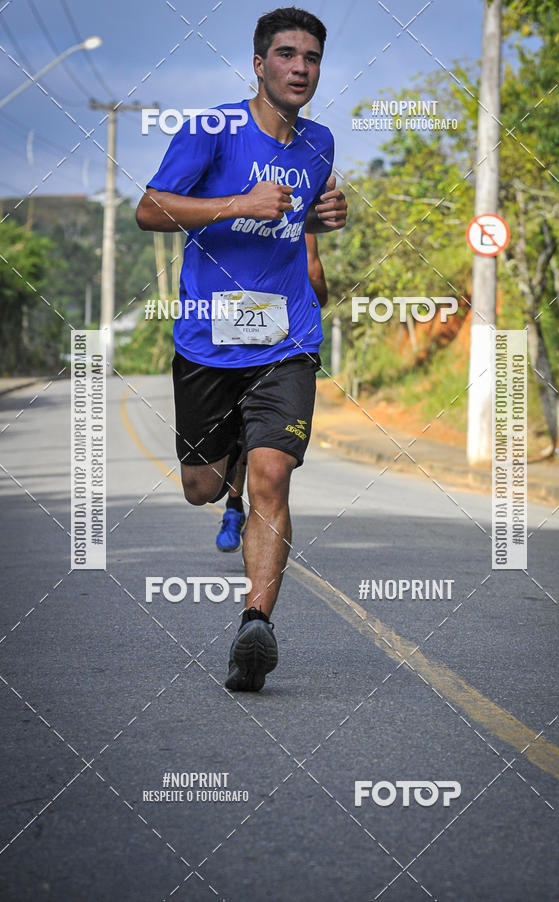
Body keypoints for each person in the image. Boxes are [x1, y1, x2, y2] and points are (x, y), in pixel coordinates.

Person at [136, 6, 347, 692]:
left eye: (311, 58)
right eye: (286, 55)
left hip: (287, 338)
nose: (300, 68)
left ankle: (256, 624)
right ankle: (227, 475)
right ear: (259, 64)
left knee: (272, 477)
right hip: (209, 339)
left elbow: (294, 221)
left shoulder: (319, 142)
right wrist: (237, 203)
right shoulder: (211, 129)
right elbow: (149, 209)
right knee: (201, 487)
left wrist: (324, 218)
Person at [215, 231, 328, 553]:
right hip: (248, 345)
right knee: (244, 437)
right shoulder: (295, 213)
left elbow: (314, 279)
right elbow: (315, 278)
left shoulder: (225, 209)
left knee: (250, 437)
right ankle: (236, 507)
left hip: (257, 344)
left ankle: (235, 508)